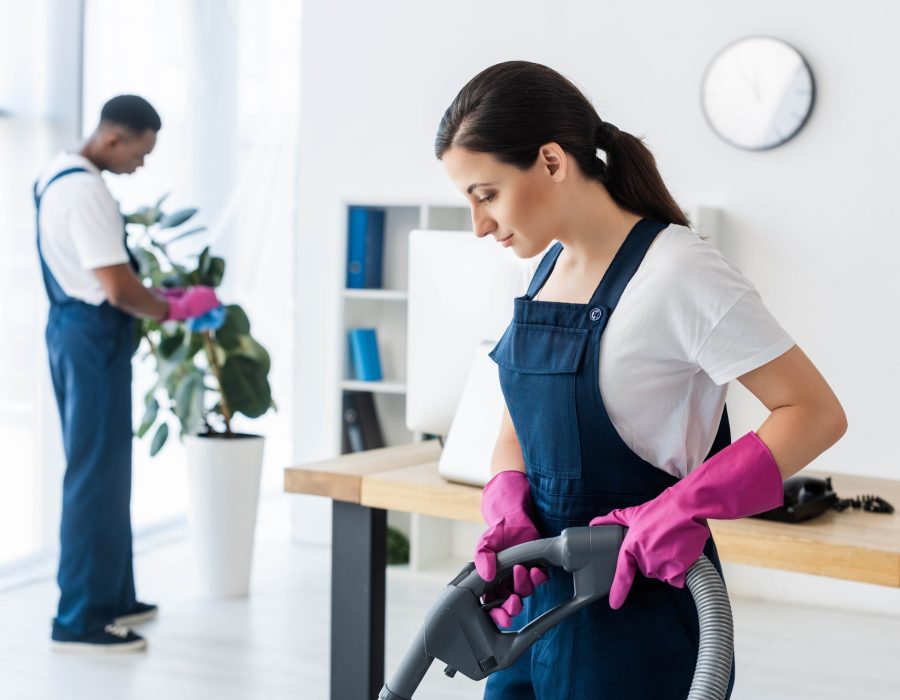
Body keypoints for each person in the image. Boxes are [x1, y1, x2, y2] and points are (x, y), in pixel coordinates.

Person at [435, 61, 847, 699]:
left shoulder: (681, 271)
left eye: (486, 194)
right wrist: (506, 503)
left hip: (637, 611)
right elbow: (517, 426)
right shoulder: (543, 271)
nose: (479, 224)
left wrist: (684, 507)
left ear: (550, 161)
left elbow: (813, 411)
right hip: (533, 611)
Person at [34, 95, 221, 652]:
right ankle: (80, 619)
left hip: (80, 330)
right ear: (114, 139)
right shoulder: (86, 190)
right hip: (90, 336)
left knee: (107, 472)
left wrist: (164, 295)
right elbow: (115, 286)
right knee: (94, 477)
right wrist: (177, 307)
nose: (141, 165)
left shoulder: (56, 173)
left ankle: (113, 597)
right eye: (140, 153)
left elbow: (96, 274)